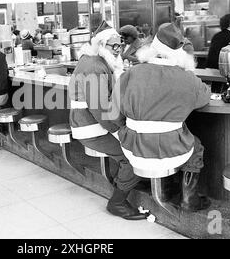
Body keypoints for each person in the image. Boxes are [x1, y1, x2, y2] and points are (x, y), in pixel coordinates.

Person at [111, 23, 211, 212]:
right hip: (172, 150)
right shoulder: (187, 78)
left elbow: (113, 111)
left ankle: (154, 189)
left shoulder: (131, 73)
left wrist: (123, 131)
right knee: (196, 147)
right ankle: (189, 199)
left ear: (151, 49)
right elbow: (204, 97)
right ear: (180, 54)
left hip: (133, 147)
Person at [68, 26, 146, 220]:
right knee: (132, 157)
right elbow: (100, 108)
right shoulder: (95, 66)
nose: (118, 50)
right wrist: (119, 129)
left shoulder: (93, 60)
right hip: (91, 127)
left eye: (120, 45)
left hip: (90, 123)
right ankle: (117, 203)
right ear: (101, 45)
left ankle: (128, 182)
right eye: (114, 46)